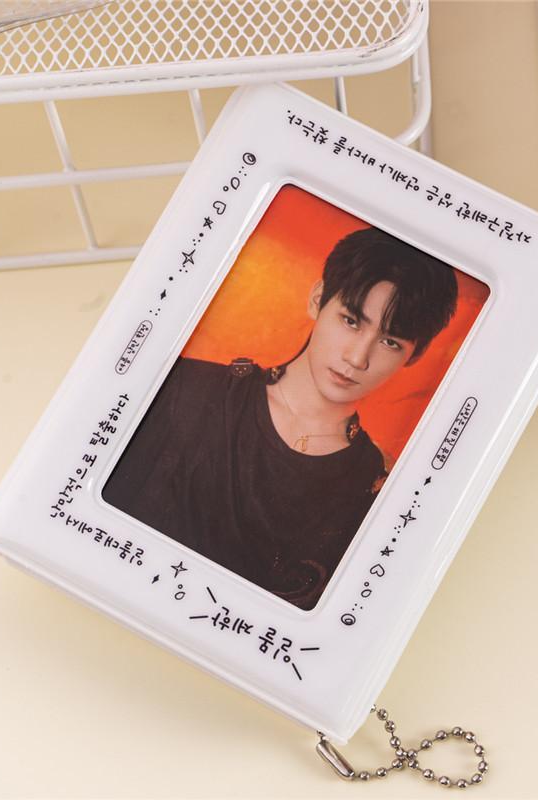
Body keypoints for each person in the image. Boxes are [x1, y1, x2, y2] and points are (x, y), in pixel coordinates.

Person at [102, 227, 458, 610]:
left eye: (390, 342)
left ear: (415, 355)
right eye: (351, 320)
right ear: (318, 299)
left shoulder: (377, 491)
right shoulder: (186, 388)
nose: (357, 358)